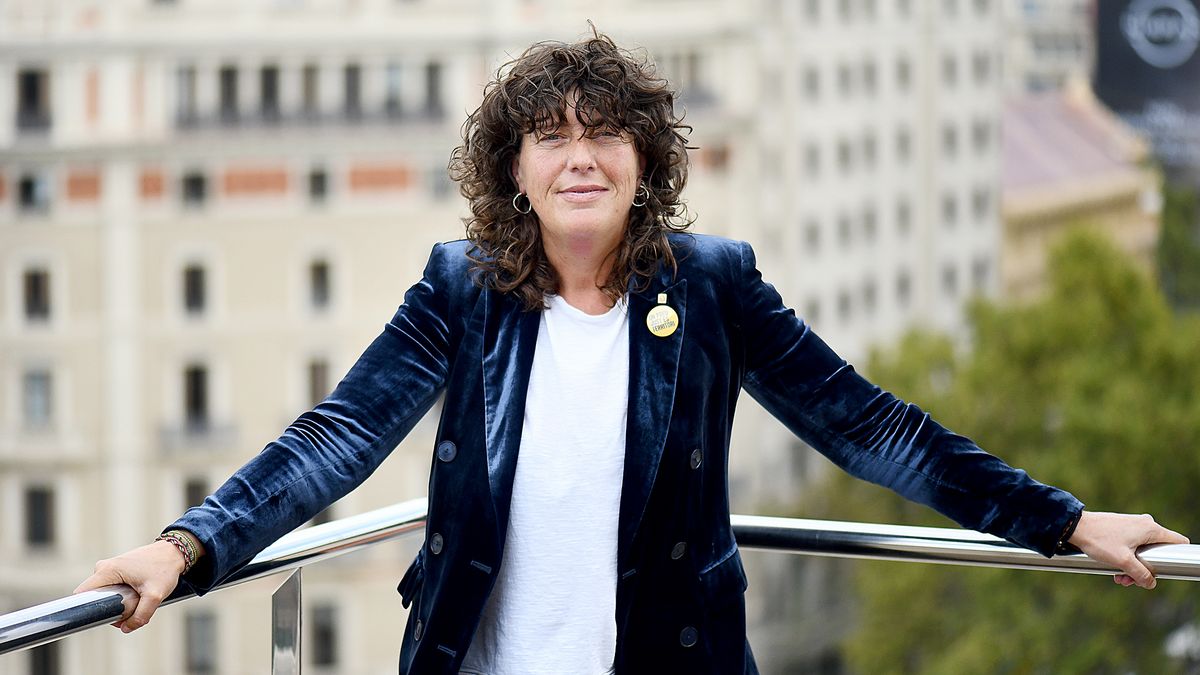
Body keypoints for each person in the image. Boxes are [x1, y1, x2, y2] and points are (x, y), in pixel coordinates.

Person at [76, 33, 1188, 675]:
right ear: (514, 170)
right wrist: (186, 547)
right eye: (550, 136)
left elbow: (870, 424)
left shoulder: (712, 286)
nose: (580, 158)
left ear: (642, 160)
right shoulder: (460, 291)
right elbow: (339, 435)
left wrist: (1064, 521)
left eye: (604, 133)